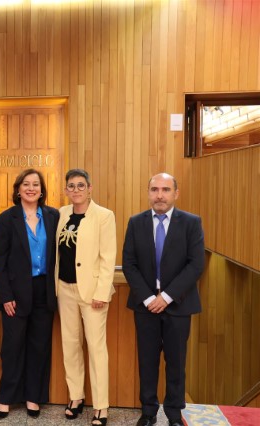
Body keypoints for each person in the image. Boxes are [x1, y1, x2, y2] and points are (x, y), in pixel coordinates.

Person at [122, 173, 205, 426]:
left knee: (176, 363)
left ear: (175, 193)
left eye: (166, 189)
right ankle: (148, 412)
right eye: (155, 189)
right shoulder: (136, 223)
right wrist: (148, 298)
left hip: (178, 305)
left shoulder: (191, 222)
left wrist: (166, 297)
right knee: (147, 361)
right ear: (148, 193)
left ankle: (173, 414)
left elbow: (195, 264)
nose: (160, 195)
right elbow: (129, 264)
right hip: (145, 305)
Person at [0, 168, 59, 420]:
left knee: (39, 346)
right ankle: (6, 398)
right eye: (26, 184)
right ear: (17, 189)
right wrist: (5, 295)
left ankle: (34, 397)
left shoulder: (53, 216)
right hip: (16, 292)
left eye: (36, 184)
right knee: (12, 346)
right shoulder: (6, 218)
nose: (31, 188)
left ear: (42, 191)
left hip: (45, 290)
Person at [55, 169, 116, 426]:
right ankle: (76, 397)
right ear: (66, 190)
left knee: (96, 348)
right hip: (65, 290)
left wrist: (102, 292)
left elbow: (108, 257)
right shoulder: (62, 214)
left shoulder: (103, 216)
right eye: (72, 186)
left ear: (90, 188)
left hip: (92, 294)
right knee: (70, 345)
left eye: (81, 185)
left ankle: (101, 406)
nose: (77, 190)